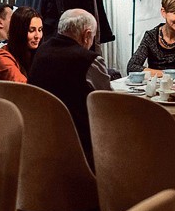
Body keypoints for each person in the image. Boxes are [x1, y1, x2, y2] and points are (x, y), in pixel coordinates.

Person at [28, 8, 112, 163]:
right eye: (93, 37)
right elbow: (108, 102)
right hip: (80, 143)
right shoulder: (89, 60)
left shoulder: (41, 51)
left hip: (41, 138)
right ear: (87, 35)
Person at [0, 7, 43, 83]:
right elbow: (27, 88)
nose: (38, 36)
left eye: (40, 30)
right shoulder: (3, 59)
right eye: (31, 30)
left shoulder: (33, 53)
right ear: (19, 31)